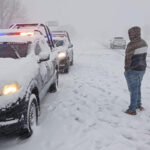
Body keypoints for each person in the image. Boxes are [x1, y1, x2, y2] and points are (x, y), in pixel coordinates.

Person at [124, 26, 148, 115]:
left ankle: (132, 109)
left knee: (133, 90)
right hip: (142, 69)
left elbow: (128, 58)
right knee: (137, 88)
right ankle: (138, 105)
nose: (129, 35)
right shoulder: (144, 42)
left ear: (132, 34)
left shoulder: (132, 44)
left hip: (132, 70)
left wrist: (126, 70)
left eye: (130, 33)